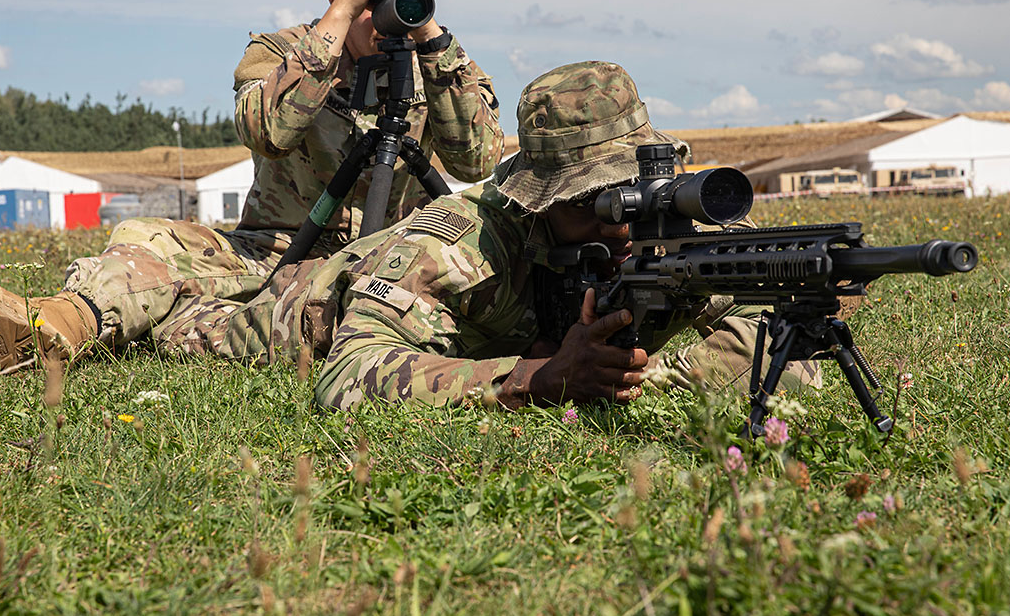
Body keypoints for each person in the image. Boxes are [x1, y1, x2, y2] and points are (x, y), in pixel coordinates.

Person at [0, 0, 503, 370]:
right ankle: (55, 324)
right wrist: (339, 22)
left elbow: (476, 159)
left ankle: (186, 326)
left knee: (287, 307)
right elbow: (267, 132)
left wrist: (430, 37)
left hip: (383, 260)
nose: (381, 12)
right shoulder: (282, 51)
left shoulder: (435, 62)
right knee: (148, 239)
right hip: (270, 251)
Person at [146, 60, 819, 407]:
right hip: (292, 312)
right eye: (594, 205)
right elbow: (345, 378)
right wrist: (536, 378)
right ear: (542, 204)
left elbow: (791, 324)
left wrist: (661, 376)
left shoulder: (670, 231)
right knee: (173, 315)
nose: (624, 229)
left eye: (635, 203)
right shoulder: (456, 244)